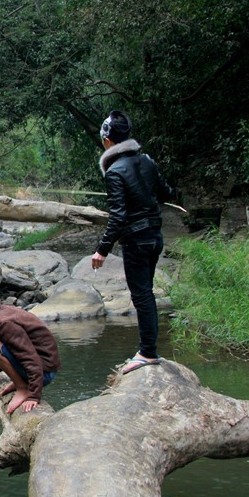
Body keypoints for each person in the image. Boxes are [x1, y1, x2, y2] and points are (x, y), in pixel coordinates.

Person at [90, 110, 175, 373]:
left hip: (136, 242)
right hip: (155, 238)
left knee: (142, 296)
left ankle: (147, 353)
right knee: (146, 294)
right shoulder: (147, 161)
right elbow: (167, 193)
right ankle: (148, 350)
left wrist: (101, 250)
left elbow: (118, 216)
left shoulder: (114, 171)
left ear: (107, 141)